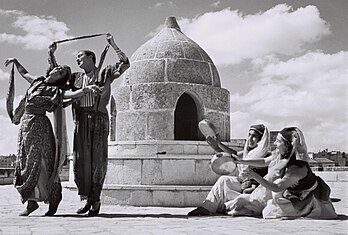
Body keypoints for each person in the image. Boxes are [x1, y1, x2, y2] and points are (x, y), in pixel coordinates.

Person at [51, 33, 130, 216]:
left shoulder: (105, 71)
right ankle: (87, 199)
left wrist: (114, 44)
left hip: (99, 120)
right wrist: (52, 55)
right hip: (81, 121)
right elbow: (57, 76)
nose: (77, 59)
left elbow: (125, 64)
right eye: (77, 57)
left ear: (91, 58)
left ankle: (96, 200)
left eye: (80, 56)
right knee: (81, 161)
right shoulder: (76, 78)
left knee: (97, 161)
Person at [4, 57, 71, 216]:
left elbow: (68, 97)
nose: (57, 70)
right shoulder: (37, 81)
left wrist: (83, 92)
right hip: (26, 126)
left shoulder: (55, 91)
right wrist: (15, 61)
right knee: (26, 163)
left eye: (60, 72)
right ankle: (31, 202)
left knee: (41, 163)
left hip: (40, 127)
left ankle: (52, 200)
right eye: (58, 68)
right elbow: (24, 73)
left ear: (61, 79)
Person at [232, 127, 337, 219]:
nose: (274, 144)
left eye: (278, 141)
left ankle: (304, 211)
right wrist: (240, 161)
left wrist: (254, 176)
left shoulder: (297, 167)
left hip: (305, 199)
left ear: (287, 145)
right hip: (291, 193)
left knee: (268, 212)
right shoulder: (281, 154)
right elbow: (264, 161)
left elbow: (277, 187)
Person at [188, 124, 270, 216]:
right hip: (243, 188)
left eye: (254, 136)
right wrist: (218, 145)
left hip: (254, 194)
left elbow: (266, 183)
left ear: (261, 139)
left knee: (237, 204)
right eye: (249, 135)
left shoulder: (266, 156)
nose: (250, 138)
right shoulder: (248, 153)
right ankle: (206, 208)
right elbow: (234, 155)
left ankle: (228, 207)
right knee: (224, 180)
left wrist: (250, 187)